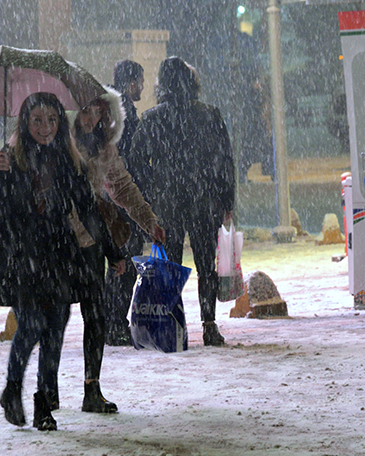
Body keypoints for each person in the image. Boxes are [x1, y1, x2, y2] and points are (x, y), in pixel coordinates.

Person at [0, 92, 124, 430]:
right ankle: (12, 387)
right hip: (24, 256)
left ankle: (44, 403)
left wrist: (112, 250)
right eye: (37, 120)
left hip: (59, 255)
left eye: (52, 120)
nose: (45, 128)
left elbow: (88, 209)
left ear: (60, 124)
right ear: (25, 123)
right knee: (31, 325)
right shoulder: (11, 158)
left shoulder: (68, 160)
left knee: (55, 330)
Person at [131, 56, 235, 347]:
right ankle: (210, 324)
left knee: (170, 267)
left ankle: (175, 327)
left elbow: (136, 163)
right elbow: (224, 161)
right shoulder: (210, 115)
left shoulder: (152, 119)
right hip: (204, 199)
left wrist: (153, 187)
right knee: (206, 265)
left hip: (168, 202)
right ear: (192, 82)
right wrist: (226, 198)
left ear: (162, 85)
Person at [69, 86, 164, 391]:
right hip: (58, 238)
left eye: (97, 111)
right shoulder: (61, 145)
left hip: (92, 238)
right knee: (53, 320)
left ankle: (92, 385)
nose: (90, 118)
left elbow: (122, 188)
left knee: (95, 315)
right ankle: (47, 390)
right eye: (85, 110)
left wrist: (149, 221)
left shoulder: (104, 148)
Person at [104, 59, 154, 345]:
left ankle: (111, 321)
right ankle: (115, 323)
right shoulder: (125, 113)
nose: (143, 87)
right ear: (130, 82)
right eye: (140, 81)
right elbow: (131, 160)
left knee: (118, 260)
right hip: (123, 198)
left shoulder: (108, 107)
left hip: (110, 197)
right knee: (125, 260)